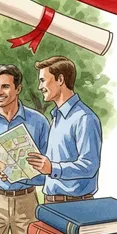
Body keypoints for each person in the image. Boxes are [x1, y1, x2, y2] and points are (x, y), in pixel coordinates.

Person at [0, 65, 50, 234]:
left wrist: (20, 175)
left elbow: (49, 171)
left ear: (18, 89)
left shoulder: (39, 122)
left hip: (27, 201)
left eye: (5, 87)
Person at [27, 56, 102, 204]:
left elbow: (90, 166)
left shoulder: (85, 118)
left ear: (60, 79)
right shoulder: (56, 117)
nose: (39, 87)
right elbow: (51, 170)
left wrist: (53, 168)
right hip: (51, 203)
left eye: (43, 80)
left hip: (75, 205)